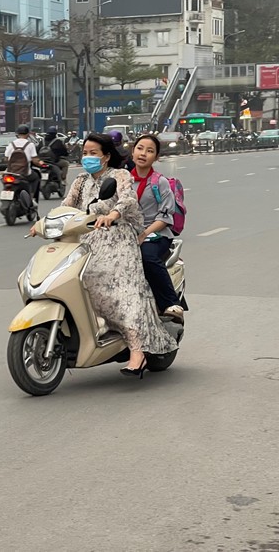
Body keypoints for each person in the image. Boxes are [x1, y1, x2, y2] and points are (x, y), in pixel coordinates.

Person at [35, 132, 178, 377]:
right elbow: (66, 206)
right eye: (85, 153)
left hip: (118, 236)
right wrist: (44, 222)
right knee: (74, 277)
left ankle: (137, 351)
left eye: (94, 153)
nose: (88, 157)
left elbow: (128, 201)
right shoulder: (80, 180)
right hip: (87, 238)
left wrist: (113, 215)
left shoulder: (119, 175)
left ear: (106, 156)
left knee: (117, 287)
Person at [130, 134, 185, 323]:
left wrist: (144, 234)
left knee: (147, 257)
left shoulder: (159, 182)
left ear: (156, 157)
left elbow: (165, 217)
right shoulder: (123, 180)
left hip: (156, 233)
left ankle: (171, 303)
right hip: (128, 234)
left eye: (150, 151)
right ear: (132, 151)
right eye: (140, 148)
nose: (143, 153)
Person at [5, 124, 42, 203]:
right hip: (25, 173)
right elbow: (35, 160)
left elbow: (6, 158)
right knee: (36, 177)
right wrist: (40, 163)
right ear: (28, 134)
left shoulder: (12, 144)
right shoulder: (30, 145)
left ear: (17, 134)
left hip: (11, 173)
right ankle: (31, 197)